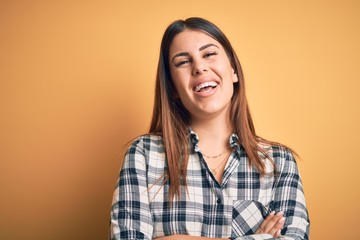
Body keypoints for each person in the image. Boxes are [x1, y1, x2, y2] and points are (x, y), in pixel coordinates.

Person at [109, 17, 310, 240]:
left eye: (209, 54)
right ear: (173, 88)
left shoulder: (278, 163)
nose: (199, 67)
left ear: (233, 70)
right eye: (183, 62)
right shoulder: (143, 155)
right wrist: (258, 237)